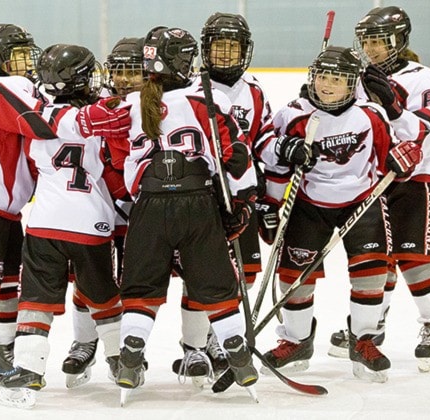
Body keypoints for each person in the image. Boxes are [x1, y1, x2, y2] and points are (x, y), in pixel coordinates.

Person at [0, 24, 130, 401]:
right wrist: (86, 115)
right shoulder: (1, 85)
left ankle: (5, 354)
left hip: (5, 205)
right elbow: (37, 124)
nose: (25, 61)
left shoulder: (6, 87)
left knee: (7, 282)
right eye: (16, 54)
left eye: (27, 53)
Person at [258, 46, 422, 383]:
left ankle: (363, 340)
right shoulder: (293, 114)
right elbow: (275, 166)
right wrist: (271, 205)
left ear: (353, 84)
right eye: (322, 77)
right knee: (294, 276)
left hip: (363, 202)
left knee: (371, 273)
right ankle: (296, 340)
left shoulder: (371, 115)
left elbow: (397, 156)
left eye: (337, 79)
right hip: (309, 204)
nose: (327, 85)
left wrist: (403, 161)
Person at [115, 26, 259, 404]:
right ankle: (238, 356)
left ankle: (131, 355)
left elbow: (117, 160)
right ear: (177, 59)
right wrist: (241, 203)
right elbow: (237, 156)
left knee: (142, 289)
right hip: (198, 203)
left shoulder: (129, 104)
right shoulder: (205, 98)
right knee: (215, 286)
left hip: (148, 204)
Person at [0, 43, 127, 408]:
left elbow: (32, 167)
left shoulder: (38, 116)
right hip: (92, 222)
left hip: (45, 223)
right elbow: (116, 157)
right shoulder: (96, 116)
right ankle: (122, 362)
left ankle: (26, 368)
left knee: (35, 300)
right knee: (102, 295)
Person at [328, 6, 430, 373]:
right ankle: (373, 327)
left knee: (415, 255)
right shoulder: (360, 78)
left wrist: (394, 107)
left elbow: (418, 133)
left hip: (415, 179)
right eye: (367, 41)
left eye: (380, 41)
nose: (372, 48)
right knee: (379, 257)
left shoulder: (421, 77)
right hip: (374, 179)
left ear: (399, 41)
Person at [171, 12, 277, 384]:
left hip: (240, 195)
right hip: (201, 197)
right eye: (219, 46)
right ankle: (194, 348)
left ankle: (220, 340)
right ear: (206, 50)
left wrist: (262, 191)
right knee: (200, 275)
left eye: (233, 47)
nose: (227, 54)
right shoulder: (188, 87)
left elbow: (263, 141)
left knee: (243, 274)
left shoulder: (254, 90)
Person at [59, 36, 145, 389]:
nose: (124, 79)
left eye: (133, 71)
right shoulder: (94, 106)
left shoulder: (160, 107)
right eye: (118, 71)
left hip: (145, 210)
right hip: (99, 207)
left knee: (138, 284)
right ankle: (85, 340)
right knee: (89, 277)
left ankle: (137, 348)